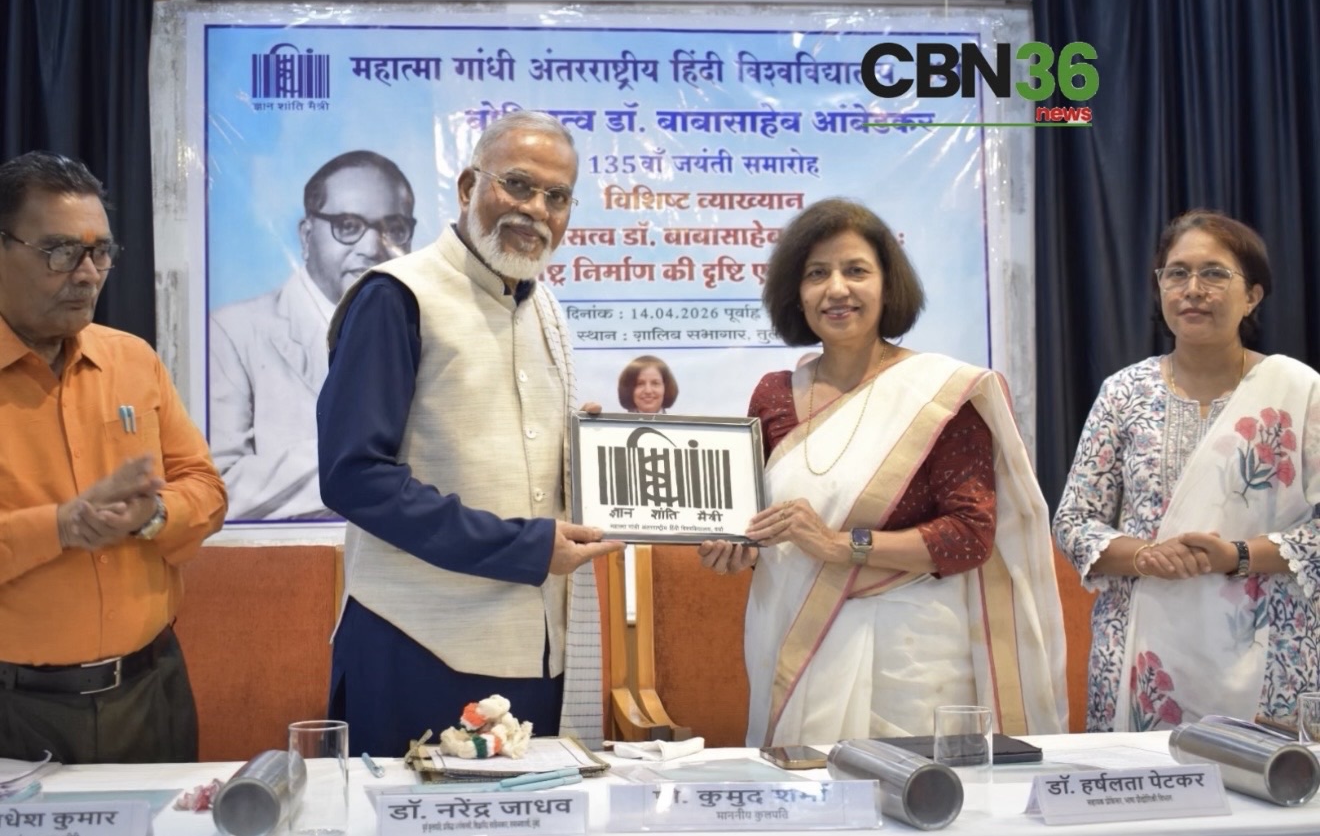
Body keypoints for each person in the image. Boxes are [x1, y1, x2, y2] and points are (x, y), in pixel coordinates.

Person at [698, 198, 1067, 746]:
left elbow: (970, 537)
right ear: (796, 293)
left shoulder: (939, 395)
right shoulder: (774, 395)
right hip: (791, 635)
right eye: (816, 274)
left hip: (911, 659)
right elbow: (756, 527)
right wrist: (735, 550)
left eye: (856, 271)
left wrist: (841, 545)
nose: (836, 289)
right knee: (807, 794)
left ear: (888, 287)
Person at [317, 111, 623, 756]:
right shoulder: (397, 296)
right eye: (518, 184)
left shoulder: (543, 307)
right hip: (415, 649)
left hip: (532, 653)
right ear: (466, 187)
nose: (536, 209)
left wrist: (587, 452)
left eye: (557, 196)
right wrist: (523, 548)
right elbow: (355, 477)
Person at [0, 151, 227, 763]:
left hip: (151, 689)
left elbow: (205, 488)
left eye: (99, 252)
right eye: (59, 251)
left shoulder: (132, 359)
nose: (87, 274)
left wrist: (152, 516)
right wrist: (60, 526)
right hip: (16, 709)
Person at [1054, 210, 1320, 732]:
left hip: (1272, 656)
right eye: (1177, 273)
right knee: (1144, 780)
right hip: (1139, 650)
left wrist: (1237, 555)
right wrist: (1147, 556)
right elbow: (1074, 522)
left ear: (1253, 295)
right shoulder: (1124, 393)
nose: (1193, 289)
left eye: (1214, 273)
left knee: (1265, 783)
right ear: (1160, 289)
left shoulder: (1301, 391)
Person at [209, 150, 415, 521]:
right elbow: (219, 487)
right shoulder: (232, 332)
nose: (372, 249)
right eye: (348, 226)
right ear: (306, 235)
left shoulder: (427, 332)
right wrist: (364, 464)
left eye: (394, 229)